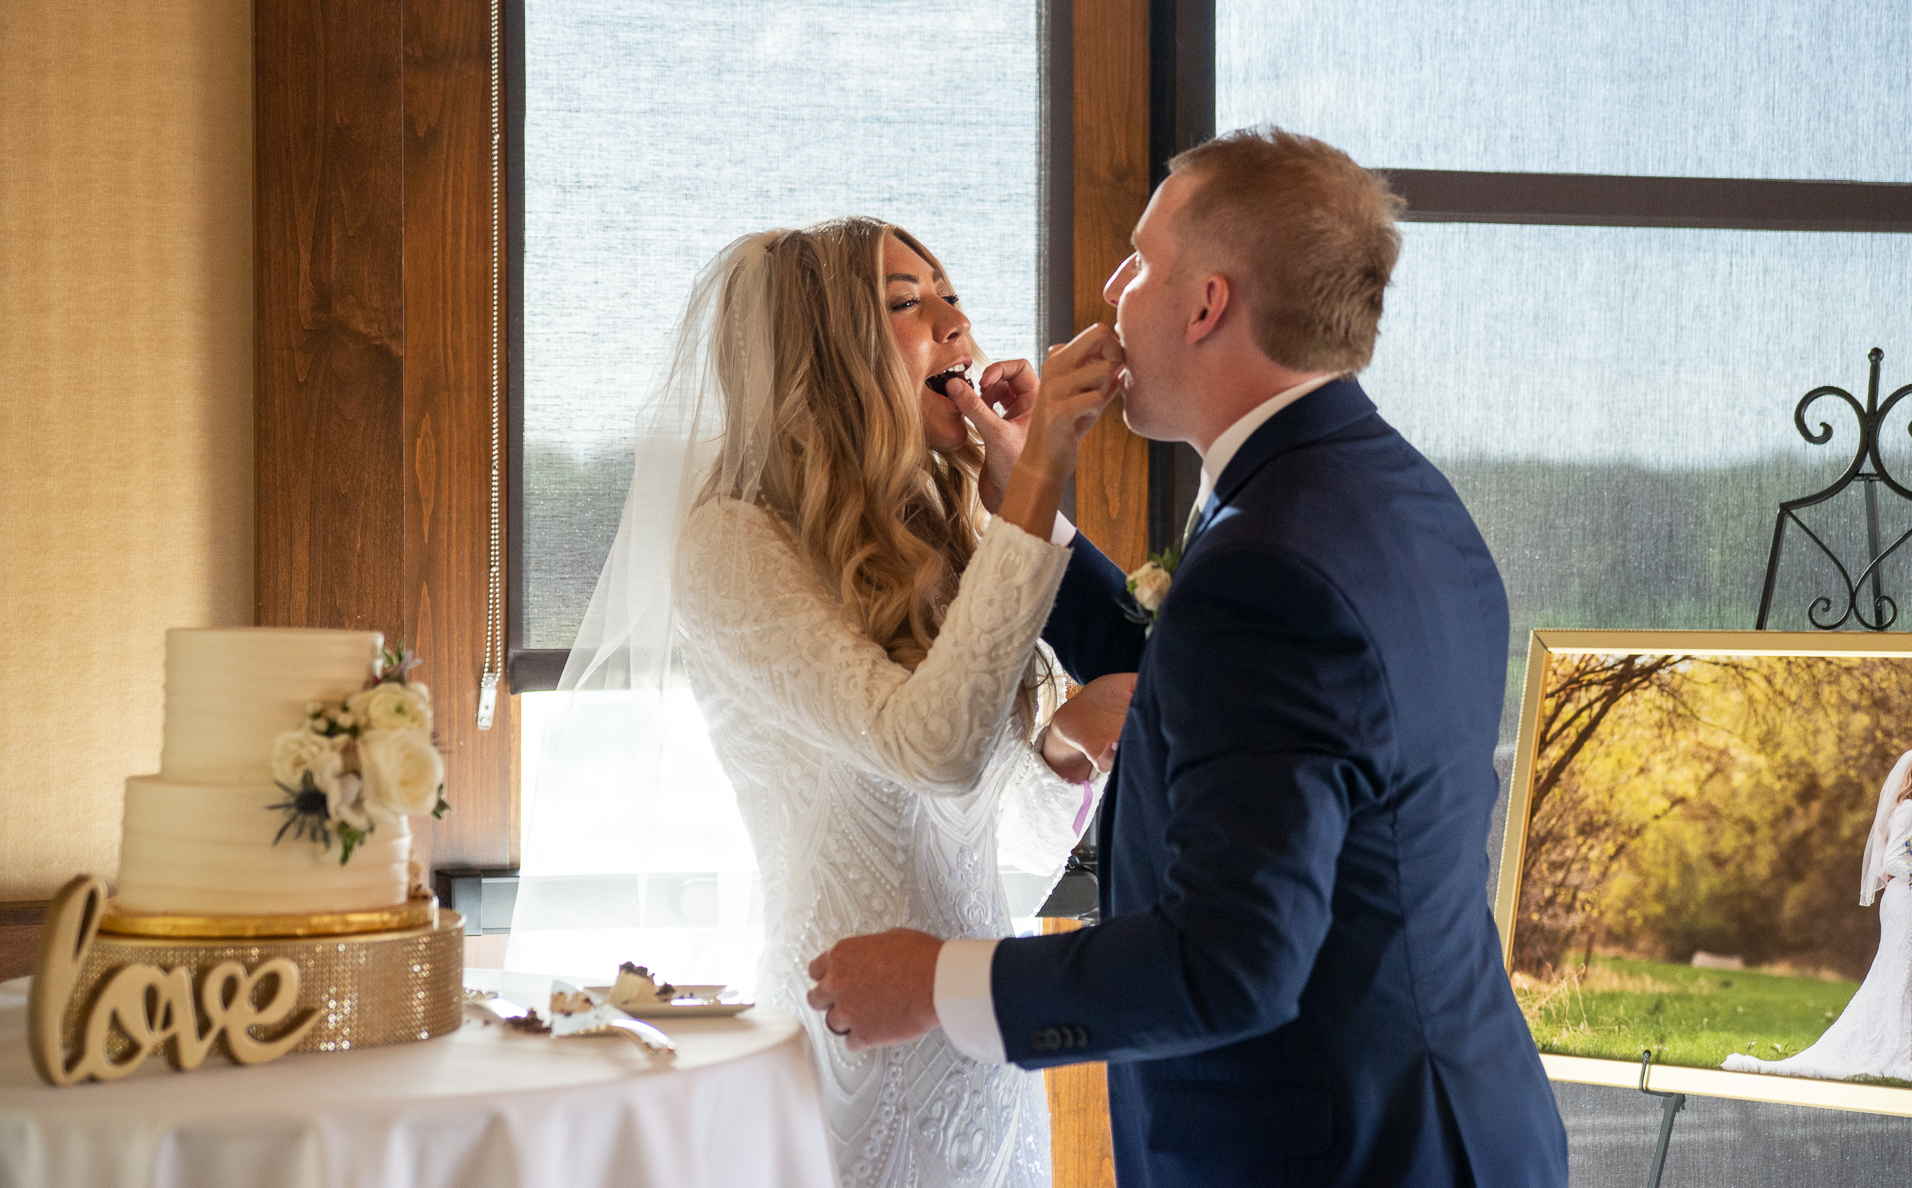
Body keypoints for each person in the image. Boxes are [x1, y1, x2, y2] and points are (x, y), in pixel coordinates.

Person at [806, 128, 1571, 1187]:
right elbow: (1198, 682)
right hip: (1454, 1120)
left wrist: (936, 983)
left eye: (1136, 262)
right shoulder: (1392, 495)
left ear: (1206, 304)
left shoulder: (1270, 562)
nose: (1112, 290)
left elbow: (1229, 962)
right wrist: (1033, 503)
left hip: (1330, 1152)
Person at [659, 218, 1133, 1187]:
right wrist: (1036, 476)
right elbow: (932, 751)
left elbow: (989, 868)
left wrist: (1058, 760)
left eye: (951, 293)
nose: (957, 323)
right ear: (825, 355)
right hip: (846, 1063)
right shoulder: (731, 544)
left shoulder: (949, 537)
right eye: (908, 304)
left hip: (983, 1071)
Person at [1725, 749, 1912, 1082]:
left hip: (1904, 896)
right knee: (1897, 972)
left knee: (1900, 974)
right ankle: (1889, 1047)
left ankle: (1901, 1044)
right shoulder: (1908, 808)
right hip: (1904, 901)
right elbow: (1892, 862)